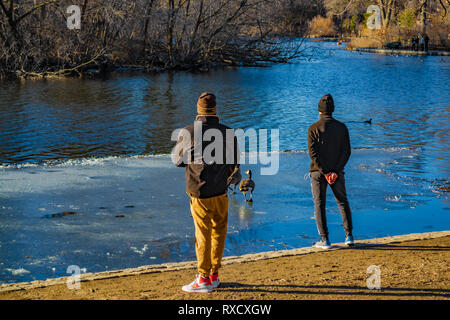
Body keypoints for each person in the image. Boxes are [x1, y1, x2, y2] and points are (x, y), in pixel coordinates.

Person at [174, 93, 239, 293]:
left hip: (199, 192)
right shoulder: (228, 132)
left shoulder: (188, 132)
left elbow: (178, 161)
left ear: (198, 109)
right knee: (219, 231)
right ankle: (214, 275)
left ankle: (203, 278)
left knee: (203, 234)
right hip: (221, 191)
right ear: (215, 109)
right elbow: (234, 164)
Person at [307, 94, 354, 249]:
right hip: (336, 172)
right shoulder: (342, 128)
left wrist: (326, 171)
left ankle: (325, 240)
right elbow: (346, 151)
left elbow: (313, 154)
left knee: (319, 204)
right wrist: (335, 171)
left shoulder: (313, 128)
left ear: (319, 110)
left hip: (318, 172)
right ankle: (349, 236)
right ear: (332, 110)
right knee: (342, 202)